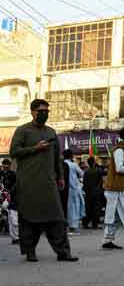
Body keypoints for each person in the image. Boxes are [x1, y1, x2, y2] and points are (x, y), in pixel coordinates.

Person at [9, 99, 77, 262]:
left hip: (48, 183)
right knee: (28, 218)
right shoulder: (22, 131)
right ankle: (30, 252)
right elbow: (14, 151)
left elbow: (57, 157)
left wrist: (60, 176)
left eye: (47, 111)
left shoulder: (51, 132)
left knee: (57, 218)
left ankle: (63, 252)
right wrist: (35, 148)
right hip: (28, 183)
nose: (44, 114)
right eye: (41, 111)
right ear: (32, 112)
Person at [63, 149, 85, 235]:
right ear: (71, 156)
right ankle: (73, 227)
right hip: (73, 189)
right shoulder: (73, 165)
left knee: (65, 207)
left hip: (63, 189)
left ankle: (66, 226)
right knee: (74, 208)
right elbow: (82, 174)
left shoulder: (61, 164)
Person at [83, 157, 104, 229]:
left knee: (88, 208)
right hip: (97, 192)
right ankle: (95, 224)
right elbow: (104, 173)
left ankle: (85, 223)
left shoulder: (86, 171)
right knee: (96, 209)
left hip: (88, 192)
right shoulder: (98, 170)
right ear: (94, 162)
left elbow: (84, 183)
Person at [1, 159, 19, 244]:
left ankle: (16, 237)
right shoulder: (1, 174)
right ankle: (14, 237)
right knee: (8, 217)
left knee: (12, 217)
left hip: (11, 197)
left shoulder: (13, 174)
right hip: (3, 196)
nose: (5, 166)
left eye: (7, 164)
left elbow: (16, 185)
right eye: (4, 164)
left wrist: (9, 192)